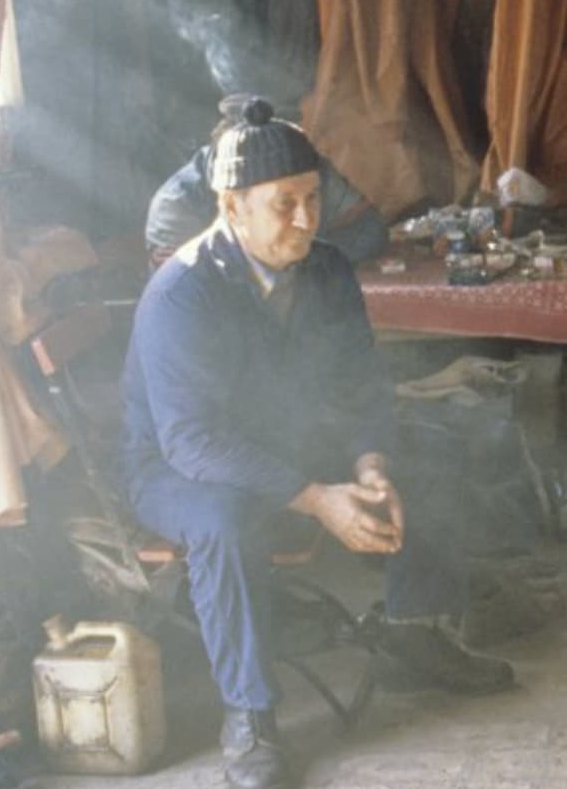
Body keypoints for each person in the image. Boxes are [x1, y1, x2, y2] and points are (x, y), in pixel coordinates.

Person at [121, 100, 512, 789]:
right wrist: (318, 499)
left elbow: (361, 381)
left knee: (432, 446)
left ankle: (413, 630)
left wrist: (369, 465)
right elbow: (191, 440)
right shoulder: (182, 290)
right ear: (232, 205)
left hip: (288, 440)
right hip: (181, 468)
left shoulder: (326, 269)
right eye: (284, 205)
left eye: (312, 199)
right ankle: (249, 714)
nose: (306, 219)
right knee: (222, 520)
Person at [145, 95, 388, 268]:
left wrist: (295, 255)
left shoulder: (300, 166)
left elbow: (369, 228)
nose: (302, 217)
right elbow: (190, 281)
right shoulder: (176, 201)